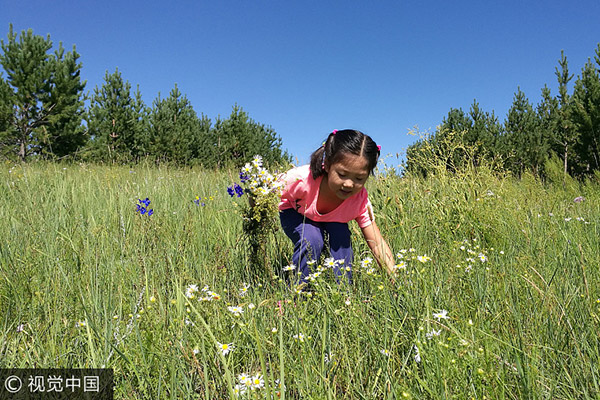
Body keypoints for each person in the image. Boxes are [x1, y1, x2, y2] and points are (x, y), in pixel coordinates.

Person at [278, 129, 396, 284]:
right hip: (295, 212)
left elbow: (377, 243)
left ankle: (343, 294)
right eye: (342, 174)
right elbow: (262, 191)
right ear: (327, 165)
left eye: (359, 178)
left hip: (333, 221)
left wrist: (397, 281)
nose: (349, 184)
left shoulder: (359, 200)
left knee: (341, 236)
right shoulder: (300, 179)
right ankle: (297, 294)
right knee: (312, 239)